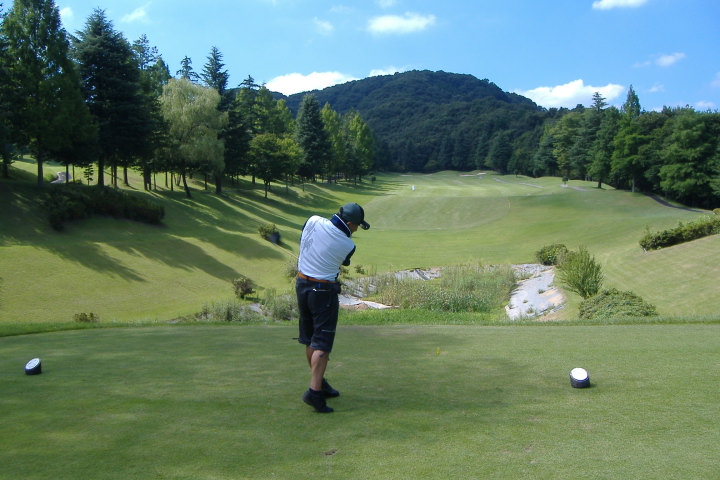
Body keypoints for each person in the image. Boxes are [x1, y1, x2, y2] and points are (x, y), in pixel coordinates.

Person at [296, 202, 370, 413]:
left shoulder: (313, 220)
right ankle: (314, 393)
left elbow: (305, 237)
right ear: (348, 223)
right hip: (323, 292)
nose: (356, 230)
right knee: (322, 343)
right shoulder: (347, 245)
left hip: (302, 285)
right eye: (356, 226)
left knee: (311, 339)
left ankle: (319, 382)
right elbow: (344, 262)